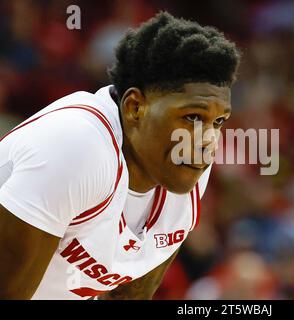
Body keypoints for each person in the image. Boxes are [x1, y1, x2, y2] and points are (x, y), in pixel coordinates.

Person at [0, 11, 240, 299]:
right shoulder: (76, 146)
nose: (208, 141)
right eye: (191, 117)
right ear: (135, 107)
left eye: (218, 122)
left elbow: (131, 294)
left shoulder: (183, 166)